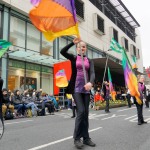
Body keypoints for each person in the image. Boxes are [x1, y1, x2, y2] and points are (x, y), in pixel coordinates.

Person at [60, 37, 96, 149]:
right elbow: (62, 51)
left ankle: (86, 138)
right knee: (80, 111)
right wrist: (72, 42)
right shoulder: (74, 58)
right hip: (76, 89)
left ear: (86, 49)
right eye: (80, 47)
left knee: (86, 113)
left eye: (84, 47)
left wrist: (91, 82)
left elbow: (92, 73)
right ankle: (77, 138)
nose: (82, 48)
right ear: (77, 49)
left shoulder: (89, 61)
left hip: (86, 90)